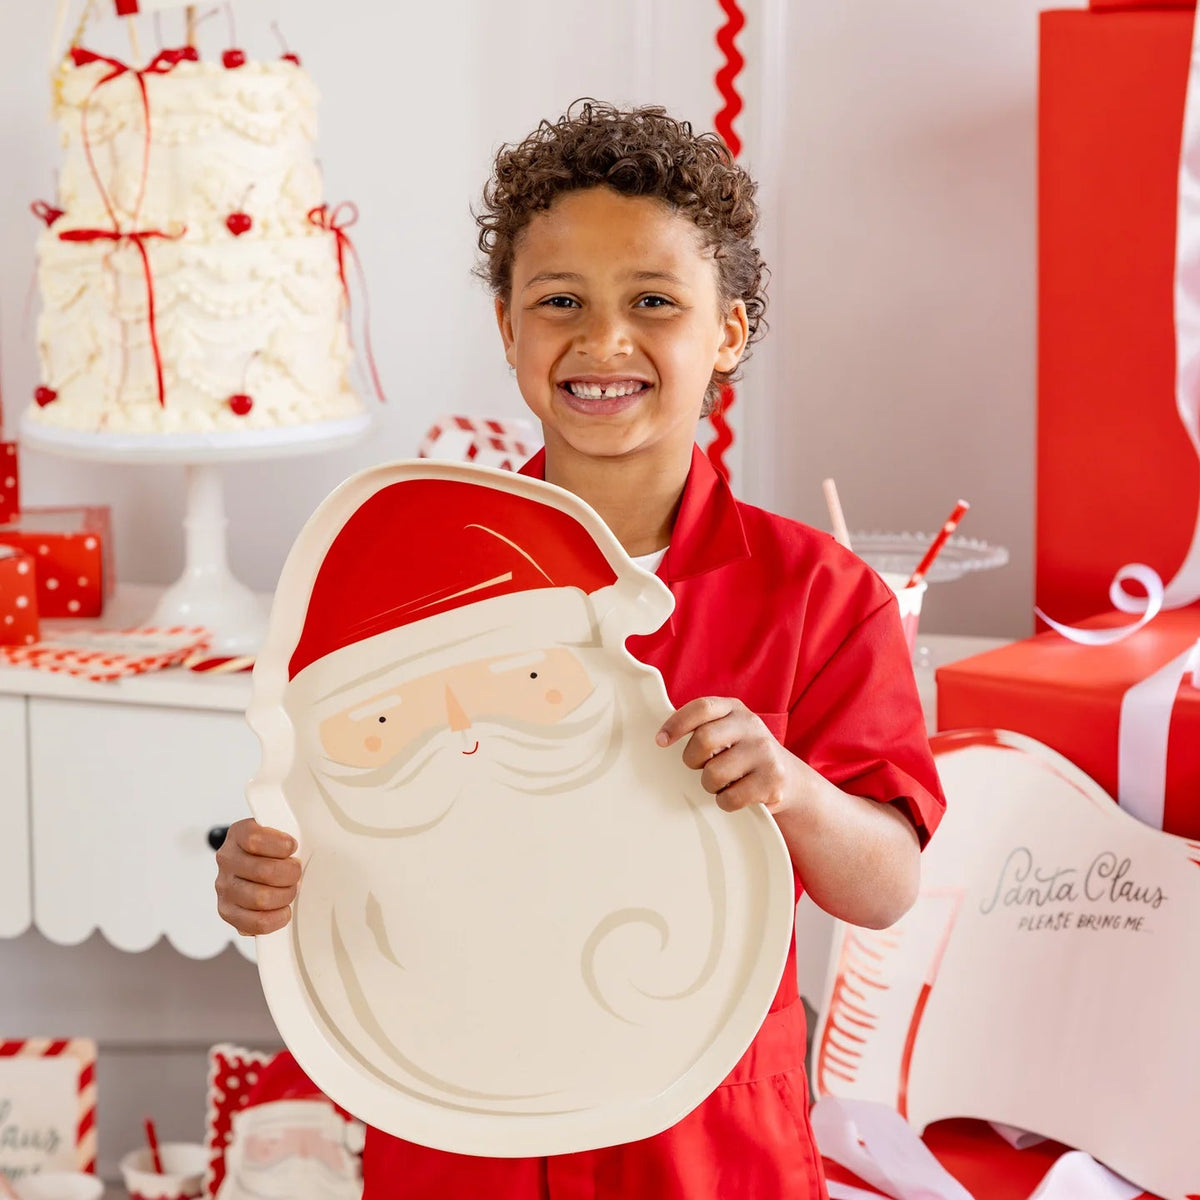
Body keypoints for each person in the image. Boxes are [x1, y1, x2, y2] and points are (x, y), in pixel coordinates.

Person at [215, 99, 945, 1199]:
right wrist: (263, 878)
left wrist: (788, 786)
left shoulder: (821, 597)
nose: (604, 343)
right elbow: (339, 822)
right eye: (560, 302)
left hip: (706, 1150)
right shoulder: (404, 584)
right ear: (508, 329)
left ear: (729, 331)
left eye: (654, 302)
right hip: (458, 1130)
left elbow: (886, 886)